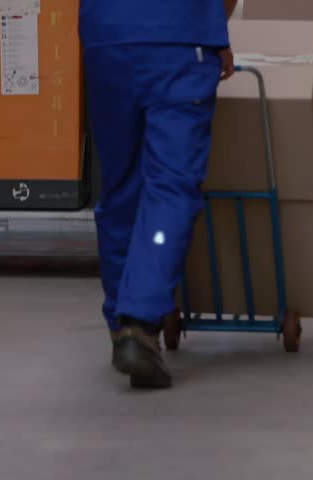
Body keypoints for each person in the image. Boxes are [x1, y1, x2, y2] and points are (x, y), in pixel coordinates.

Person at [80, 0, 238, 389]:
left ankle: (121, 324)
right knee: (170, 187)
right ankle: (140, 321)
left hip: (107, 37)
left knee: (121, 186)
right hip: (181, 39)